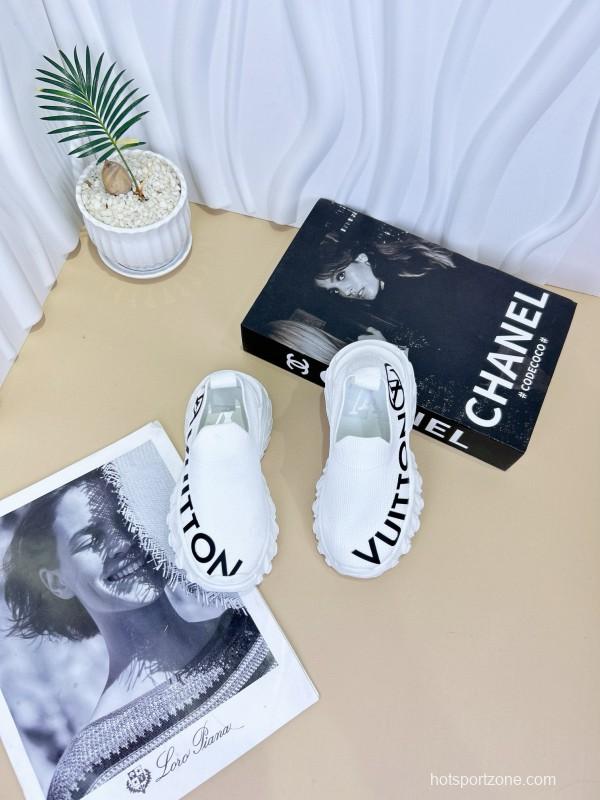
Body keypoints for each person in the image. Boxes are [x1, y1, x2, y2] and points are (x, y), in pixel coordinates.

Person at [3, 467, 274, 800]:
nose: (121, 542)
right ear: (57, 582)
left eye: (123, 518)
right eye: (90, 539)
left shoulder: (256, 626)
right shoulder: (83, 777)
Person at [313, 233, 455, 302]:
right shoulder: (396, 295)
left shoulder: (422, 275)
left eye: (341, 276)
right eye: (335, 290)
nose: (345, 292)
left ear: (362, 258)